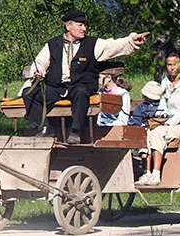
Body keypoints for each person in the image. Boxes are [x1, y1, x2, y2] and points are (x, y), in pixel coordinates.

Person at [25, 10, 150, 144]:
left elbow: (113, 46)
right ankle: (45, 128)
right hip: (58, 88)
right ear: (68, 26)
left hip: (80, 87)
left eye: (85, 25)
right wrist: (38, 72)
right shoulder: (52, 44)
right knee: (29, 94)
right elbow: (40, 63)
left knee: (81, 93)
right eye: (80, 25)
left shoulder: (93, 44)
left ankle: (75, 132)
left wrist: (131, 41)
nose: (84, 28)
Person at [137, 53, 180, 186]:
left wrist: (167, 123)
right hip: (166, 122)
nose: (172, 68)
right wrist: (158, 118)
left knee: (158, 133)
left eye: (175, 64)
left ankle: (156, 174)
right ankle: (147, 172)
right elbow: (162, 105)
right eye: (169, 65)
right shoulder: (165, 82)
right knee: (146, 131)